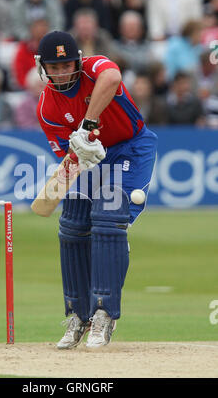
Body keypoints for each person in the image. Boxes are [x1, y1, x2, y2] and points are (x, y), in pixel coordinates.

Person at [35, 31, 157, 349]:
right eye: (54, 66)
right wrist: (79, 152)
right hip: (93, 161)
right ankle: (78, 315)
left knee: (107, 218)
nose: (61, 72)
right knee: (72, 225)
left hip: (131, 148)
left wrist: (87, 126)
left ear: (77, 61)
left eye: (67, 65)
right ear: (43, 67)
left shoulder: (93, 68)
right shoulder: (48, 107)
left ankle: (104, 314)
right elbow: (69, 159)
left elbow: (113, 76)